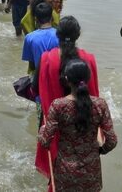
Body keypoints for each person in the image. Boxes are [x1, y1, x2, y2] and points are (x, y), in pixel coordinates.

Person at [33, 16, 99, 180]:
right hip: (83, 121)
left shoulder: (47, 59)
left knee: (56, 170)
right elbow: (94, 95)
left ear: (58, 35)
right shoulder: (88, 59)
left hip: (54, 122)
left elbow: (35, 89)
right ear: (78, 35)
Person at [38, 59, 117, 192]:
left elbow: (45, 141)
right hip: (91, 169)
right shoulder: (100, 104)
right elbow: (112, 141)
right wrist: (100, 151)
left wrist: (42, 129)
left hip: (66, 171)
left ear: (67, 79)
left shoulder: (58, 105)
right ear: (88, 77)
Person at [21, 2, 58, 73]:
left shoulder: (29, 37)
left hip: (39, 77)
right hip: (55, 76)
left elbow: (31, 64)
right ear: (52, 18)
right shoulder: (60, 35)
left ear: (36, 19)